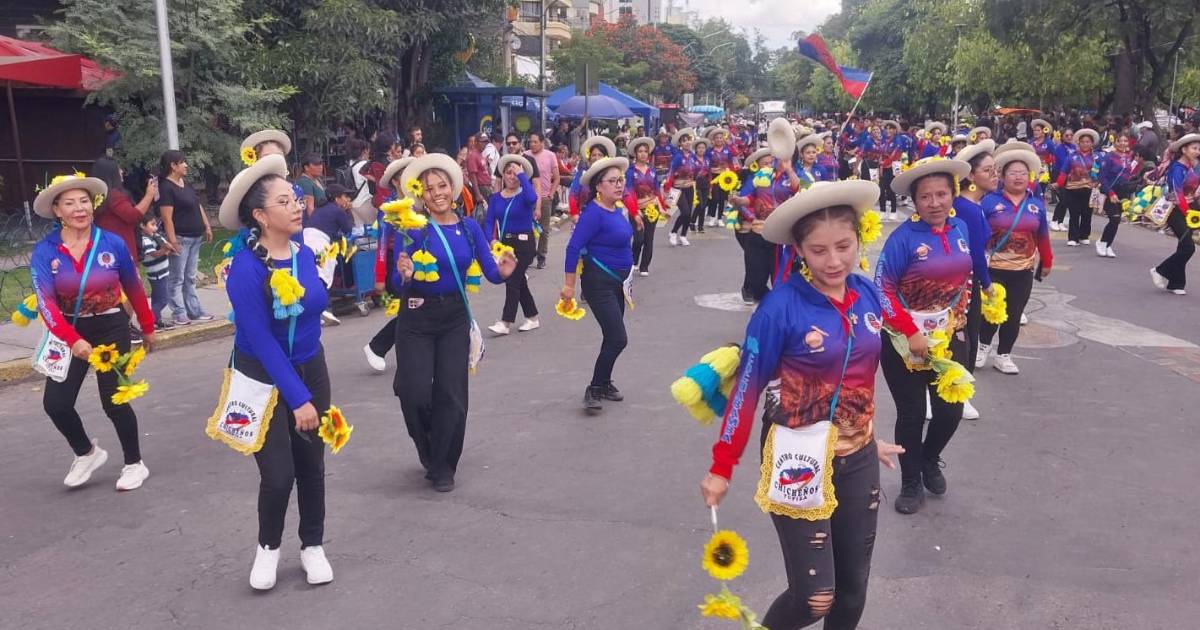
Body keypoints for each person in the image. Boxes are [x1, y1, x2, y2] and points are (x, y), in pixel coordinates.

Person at [700, 180, 904, 630]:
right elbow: (747, 391)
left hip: (859, 457)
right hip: (797, 461)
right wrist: (722, 465)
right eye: (818, 250)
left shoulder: (866, 295)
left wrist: (871, 436)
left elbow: (860, 376)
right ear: (799, 251)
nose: (834, 261)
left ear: (859, 239)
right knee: (815, 599)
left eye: (843, 246)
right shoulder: (779, 309)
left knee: (852, 592)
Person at [218, 153, 334, 590]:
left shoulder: (307, 252)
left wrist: (307, 389)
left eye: (296, 198)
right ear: (261, 216)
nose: (298, 205)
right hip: (260, 377)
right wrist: (297, 397)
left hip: (311, 367)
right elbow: (261, 340)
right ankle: (268, 548)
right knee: (278, 473)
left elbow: (316, 305)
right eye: (285, 202)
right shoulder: (244, 269)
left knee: (311, 463)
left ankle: (313, 545)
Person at [392, 154, 516, 492]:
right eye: (428, 189)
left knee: (451, 394)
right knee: (413, 394)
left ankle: (444, 464)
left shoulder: (470, 228)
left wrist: (504, 272)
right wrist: (403, 274)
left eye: (442, 186)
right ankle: (427, 445)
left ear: (453, 188)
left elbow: (490, 271)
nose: (436, 193)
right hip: (416, 319)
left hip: (453, 320)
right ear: (421, 194)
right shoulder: (412, 229)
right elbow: (395, 278)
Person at [30, 171, 156, 491]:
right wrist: (73, 341)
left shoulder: (110, 243)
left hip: (112, 325)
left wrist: (148, 325)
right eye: (69, 203)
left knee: (114, 400)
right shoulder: (46, 251)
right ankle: (86, 452)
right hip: (68, 332)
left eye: (84, 201)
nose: (79, 208)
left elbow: (134, 286)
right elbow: (46, 305)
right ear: (57, 211)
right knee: (55, 404)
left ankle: (134, 463)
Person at [876, 159, 974, 514]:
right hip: (904, 343)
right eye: (926, 197)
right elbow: (882, 290)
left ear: (953, 195)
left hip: (947, 337)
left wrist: (959, 320)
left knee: (951, 410)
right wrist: (909, 330)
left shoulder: (961, 228)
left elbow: (967, 278)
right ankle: (910, 481)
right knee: (912, 413)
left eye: (942, 194)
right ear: (914, 201)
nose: (935, 203)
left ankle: (929, 459)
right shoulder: (902, 239)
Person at [562, 157, 634, 412]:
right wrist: (569, 286)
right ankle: (593, 387)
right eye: (612, 181)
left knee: (611, 336)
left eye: (620, 180)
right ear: (598, 187)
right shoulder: (593, 213)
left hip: (617, 283)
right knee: (618, 338)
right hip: (598, 282)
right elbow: (572, 248)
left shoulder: (616, 209)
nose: (618, 185)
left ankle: (604, 382)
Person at [977, 150, 1053, 374]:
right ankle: (982, 347)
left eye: (1022, 173)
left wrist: (1047, 260)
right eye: (1012, 173)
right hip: (994, 268)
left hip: (1023, 270)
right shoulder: (988, 202)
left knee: (1014, 312)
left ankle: (1004, 355)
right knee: (990, 312)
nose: (1018, 177)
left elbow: (1043, 236)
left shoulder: (1036, 205)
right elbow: (979, 235)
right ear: (1002, 176)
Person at [952, 141, 999, 421]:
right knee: (963, 338)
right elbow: (973, 253)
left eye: (996, 170)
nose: (995, 176)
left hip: (968, 281)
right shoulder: (965, 208)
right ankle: (959, 394)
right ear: (971, 176)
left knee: (967, 335)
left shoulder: (975, 205)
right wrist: (987, 282)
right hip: (963, 283)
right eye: (988, 170)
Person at [730, 147, 803, 302]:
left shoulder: (797, 176)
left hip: (781, 239)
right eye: (777, 157)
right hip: (758, 233)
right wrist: (739, 201)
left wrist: (789, 170)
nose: (777, 161)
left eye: (784, 157)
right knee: (755, 278)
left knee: (781, 279)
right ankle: (765, 299)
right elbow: (750, 197)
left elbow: (801, 191)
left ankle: (776, 306)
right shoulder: (763, 174)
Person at [363, 157, 414, 371]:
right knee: (410, 310)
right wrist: (379, 277)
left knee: (414, 310)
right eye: (405, 176)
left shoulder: (418, 203)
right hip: (397, 264)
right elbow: (383, 245)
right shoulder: (390, 209)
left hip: (420, 262)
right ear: (394, 181)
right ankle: (377, 346)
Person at [485, 154, 541, 335]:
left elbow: (533, 198)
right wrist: (491, 239)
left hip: (524, 243)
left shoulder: (524, 195)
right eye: (508, 173)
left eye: (515, 173)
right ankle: (532, 317)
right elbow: (489, 221)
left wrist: (523, 176)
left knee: (513, 280)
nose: (511, 176)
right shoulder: (496, 198)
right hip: (505, 243)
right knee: (518, 282)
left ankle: (506, 321)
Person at [158, 149, 214, 327]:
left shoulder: (185, 183)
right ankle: (179, 312)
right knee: (177, 277)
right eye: (182, 162)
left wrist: (206, 225)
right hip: (181, 238)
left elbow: (198, 206)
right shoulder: (166, 187)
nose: (186, 165)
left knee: (190, 277)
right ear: (173, 166)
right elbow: (167, 217)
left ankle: (194, 311)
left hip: (196, 236)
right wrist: (173, 241)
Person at [1150, 133, 1200, 295]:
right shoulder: (1176, 168)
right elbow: (1176, 194)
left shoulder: (1194, 166)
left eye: (1199, 148)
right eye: (1194, 148)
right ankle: (1160, 270)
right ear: (1184, 149)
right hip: (1175, 210)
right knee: (1188, 247)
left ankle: (1176, 283)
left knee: (1183, 246)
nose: (1197, 151)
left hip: (1191, 208)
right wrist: (1188, 212)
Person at [626, 136, 667, 276]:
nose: (643, 154)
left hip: (652, 208)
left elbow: (657, 191)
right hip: (636, 209)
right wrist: (635, 211)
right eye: (640, 151)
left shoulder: (652, 171)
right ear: (635, 154)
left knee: (649, 238)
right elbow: (629, 193)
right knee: (638, 238)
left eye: (645, 151)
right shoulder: (630, 172)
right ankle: (634, 260)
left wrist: (662, 207)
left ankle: (645, 266)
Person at [1096, 133, 1140, 258]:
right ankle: (1102, 242)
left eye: (1125, 141)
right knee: (1114, 218)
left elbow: (1129, 175)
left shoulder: (1128, 157)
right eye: (1120, 140)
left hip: (1123, 192)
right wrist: (1110, 192)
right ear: (1115, 142)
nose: (1123, 143)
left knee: (1117, 220)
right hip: (1110, 191)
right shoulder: (1109, 157)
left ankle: (1108, 244)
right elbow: (1102, 177)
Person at [1054, 127, 1100, 246]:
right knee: (1074, 214)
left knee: (1087, 214)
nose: (1085, 144)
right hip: (1072, 189)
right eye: (1083, 142)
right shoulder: (1072, 156)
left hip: (1089, 189)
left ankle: (1084, 235)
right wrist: (1058, 183)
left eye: (1088, 142)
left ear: (1092, 143)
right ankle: (1073, 238)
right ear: (1078, 143)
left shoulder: (1097, 157)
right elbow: (1064, 171)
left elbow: (1101, 172)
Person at [524, 132, 559, 269]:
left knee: (544, 229)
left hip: (544, 198)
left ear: (542, 142)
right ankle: (529, 254)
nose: (532, 144)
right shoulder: (525, 155)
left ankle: (541, 256)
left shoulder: (550, 156)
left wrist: (551, 193)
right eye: (530, 142)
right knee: (528, 228)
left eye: (535, 142)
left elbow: (556, 177)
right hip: (528, 198)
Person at [667, 128, 703, 246]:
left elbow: (697, 169)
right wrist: (668, 188)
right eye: (684, 141)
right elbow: (671, 172)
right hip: (678, 188)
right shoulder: (678, 157)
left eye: (689, 140)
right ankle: (673, 232)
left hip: (689, 187)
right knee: (686, 212)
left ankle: (683, 235)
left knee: (689, 213)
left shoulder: (692, 156)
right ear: (680, 144)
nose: (687, 142)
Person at [139, 215, 173, 331]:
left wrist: (167, 248)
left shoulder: (155, 236)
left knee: (156, 298)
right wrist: (165, 249)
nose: (155, 228)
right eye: (152, 225)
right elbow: (154, 254)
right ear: (142, 226)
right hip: (156, 274)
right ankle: (148, 320)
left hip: (163, 271)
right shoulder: (145, 240)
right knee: (163, 299)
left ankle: (157, 320)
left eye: (155, 225)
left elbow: (167, 247)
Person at [705, 127, 740, 228]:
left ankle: (719, 218)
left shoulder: (727, 150)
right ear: (713, 140)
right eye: (717, 138)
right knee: (714, 198)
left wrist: (730, 171)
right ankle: (712, 217)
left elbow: (734, 158)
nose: (719, 140)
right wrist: (710, 170)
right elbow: (706, 163)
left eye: (721, 138)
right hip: (713, 177)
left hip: (725, 178)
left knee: (722, 199)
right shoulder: (709, 151)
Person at [1050, 129, 1076, 231]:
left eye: (1071, 135)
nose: (1069, 137)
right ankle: (1054, 220)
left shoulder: (1074, 147)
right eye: (1067, 135)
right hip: (1060, 175)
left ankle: (1060, 222)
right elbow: (1063, 162)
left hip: (1071, 176)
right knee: (1063, 199)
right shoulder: (1059, 148)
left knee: (1067, 200)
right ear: (1062, 136)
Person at [691, 137, 712, 233]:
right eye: (699, 148)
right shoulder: (692, 159)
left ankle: (700, 226)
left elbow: (709, 173)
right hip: (696, 185)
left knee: (704, 205)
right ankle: (692, 221)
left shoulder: (707, 159)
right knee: (700, 204)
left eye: (703, 148)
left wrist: (710, 185)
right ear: (696, 149)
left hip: (706, 185)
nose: (701, 149)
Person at [296, 153, 327, 218]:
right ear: (306, 167)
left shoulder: (318, 179)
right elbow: (310, 208)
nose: (320, 167)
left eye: (320, 164)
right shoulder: (304, 182)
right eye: (316, 164)